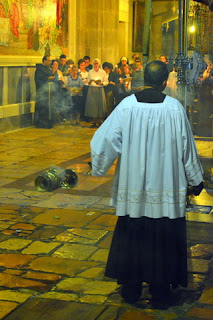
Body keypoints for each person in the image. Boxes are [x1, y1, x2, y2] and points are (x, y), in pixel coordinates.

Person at [90, 61, 204, 307]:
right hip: (166, 187)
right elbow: (187, 149)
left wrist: (99, 166)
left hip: (134, 188)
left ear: (144, 79)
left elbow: (105, 138)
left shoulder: (127, 106)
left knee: (133, 233)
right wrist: (196, 179)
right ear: (165, 82)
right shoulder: (174, 108)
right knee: (162, 238)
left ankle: (131, 289)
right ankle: (161, 292)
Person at [84, 58, 108, 127]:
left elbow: (106, 82)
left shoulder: (103, 72)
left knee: (99, 105)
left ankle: (99, 121)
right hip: (92, 89)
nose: (96, 65)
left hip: (99, 90)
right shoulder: (90, 72)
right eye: (95, 63)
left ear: (99, 64)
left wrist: (101, 83)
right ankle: (94, 122)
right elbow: (87, 81)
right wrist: (89, 82)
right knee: (93, 106)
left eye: (97, 63)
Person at [34, 55, 56, 128]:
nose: (50, 62)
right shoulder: (39, 69)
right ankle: (41, 123)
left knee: (48, 107)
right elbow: (38, 79)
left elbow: (51, 76)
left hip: (48, 91)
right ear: (44, 61)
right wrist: (47, 78)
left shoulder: (48, 68)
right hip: (42, 91)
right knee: (42, 107)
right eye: (49, 60)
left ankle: (48, 122)